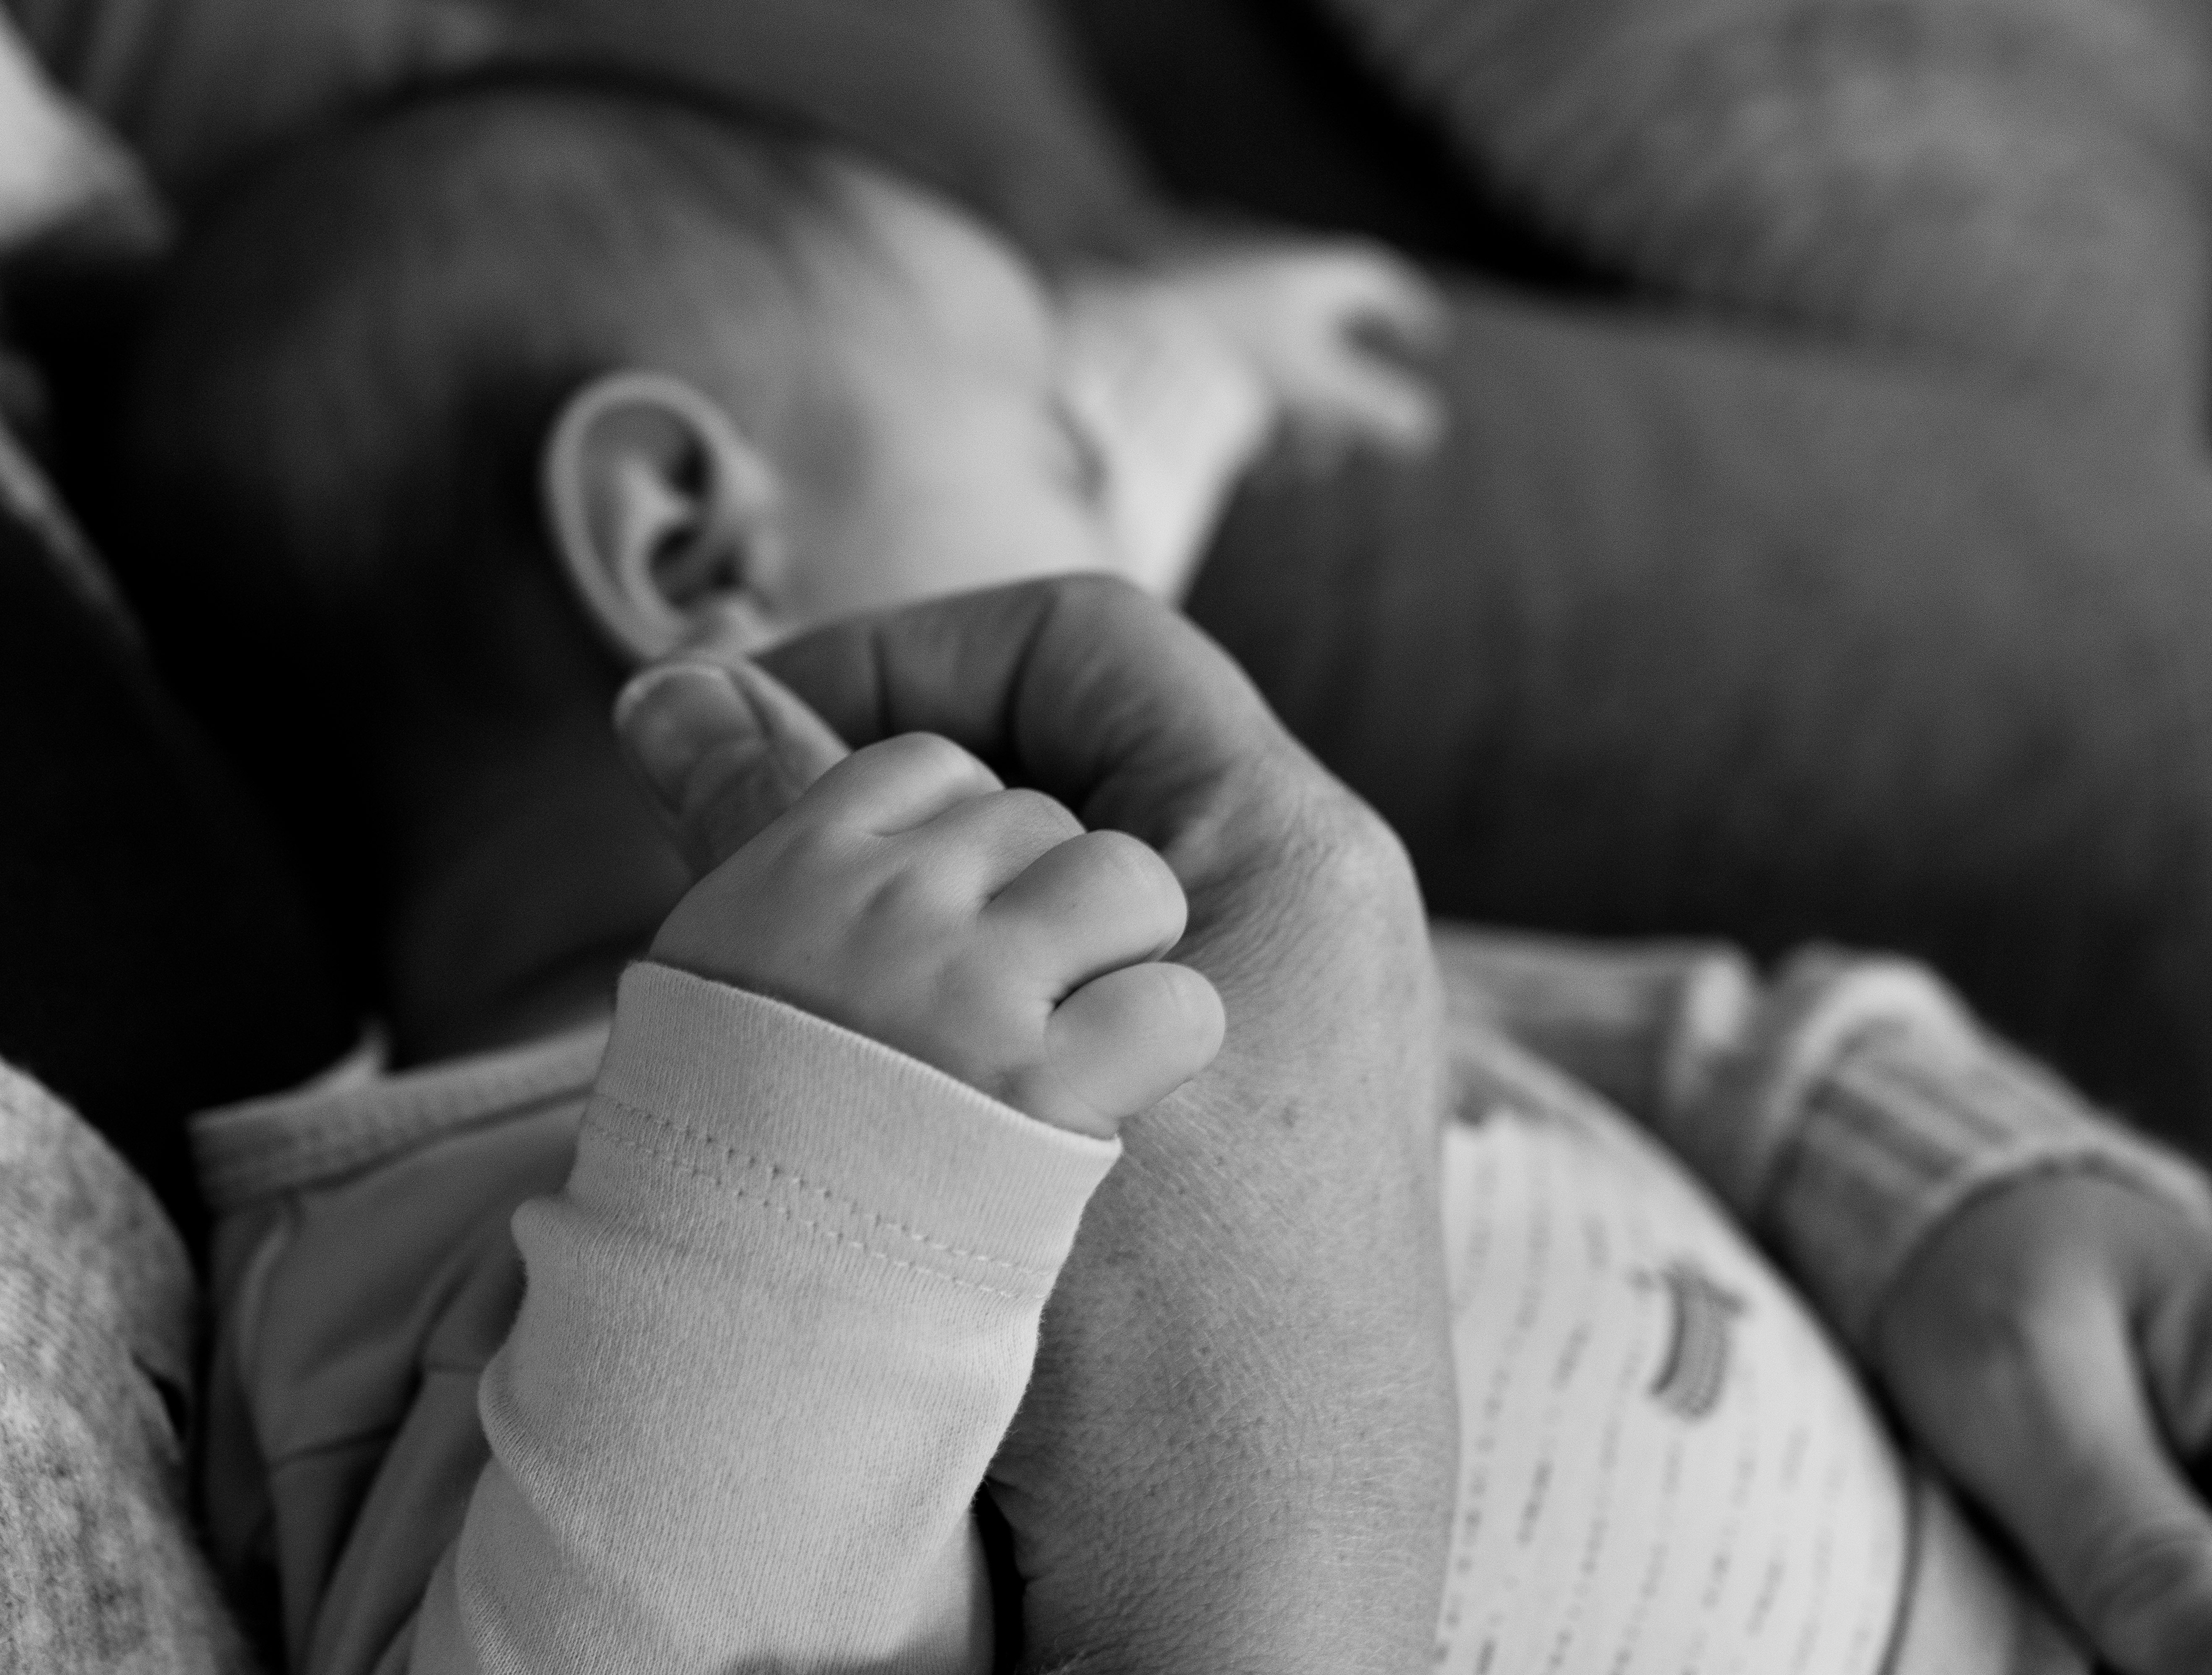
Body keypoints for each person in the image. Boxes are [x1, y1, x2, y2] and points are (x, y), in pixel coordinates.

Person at [121, 78, 2212, 1673]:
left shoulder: (1175, 931)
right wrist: (816, 1177)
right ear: (687, 543)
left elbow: (1713, 1045)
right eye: (1067, 451)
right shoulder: (396, 1268)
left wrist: (1947, 1178)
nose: (1152, 577)